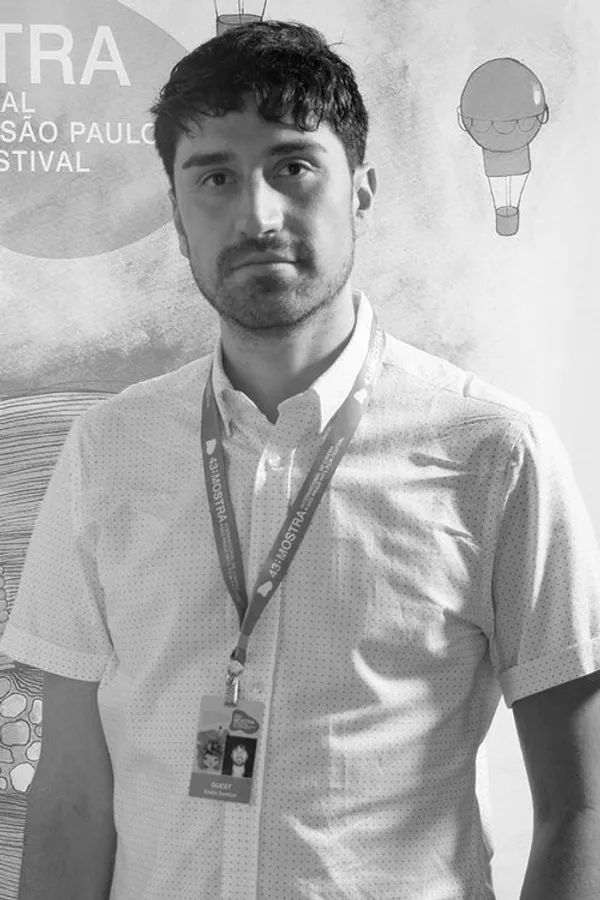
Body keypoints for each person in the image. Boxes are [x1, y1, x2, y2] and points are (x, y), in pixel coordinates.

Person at [2, 19, 600, 900]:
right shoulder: (107, 451)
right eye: (215, 178)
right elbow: (71, 803)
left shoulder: (494, 453)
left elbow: (581, 807)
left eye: (292, 166)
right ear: (178, 218)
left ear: (360, 190)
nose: (257, 215)